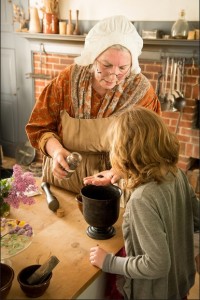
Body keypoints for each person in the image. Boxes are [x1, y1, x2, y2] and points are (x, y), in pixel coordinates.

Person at [26, 15, 160, 199]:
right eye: (106, 65)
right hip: (64, 178)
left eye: (123, 68)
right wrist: (56, 152)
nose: (113, 75)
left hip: (114, 184)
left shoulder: (142, 92)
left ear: (132, 65)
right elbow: (40, 127)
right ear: (93, 57)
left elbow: (149, 143)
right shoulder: (67, 81)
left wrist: (118, 171)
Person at [89, 107, 200, 300]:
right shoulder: (177, 174)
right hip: (178, 283)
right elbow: (196, 220)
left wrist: (108, 262)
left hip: (153, 292)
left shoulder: (141, 200)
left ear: (124, 154)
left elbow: (157, 264)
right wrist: (121, 175)